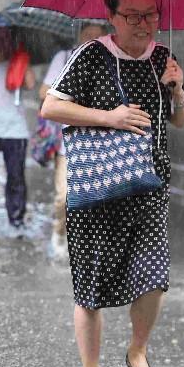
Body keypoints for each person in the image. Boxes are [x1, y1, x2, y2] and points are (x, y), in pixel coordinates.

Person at [41, 0, 184, 367]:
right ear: (112, 17)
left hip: (150, 187)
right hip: (98, 190)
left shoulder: (164, 58)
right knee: (90, 288)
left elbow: (180, 121)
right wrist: (110, 116)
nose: (145, 24)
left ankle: (137, 350)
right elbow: (51, 106)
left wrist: (177, 89)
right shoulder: (90, 56)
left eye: (151, 15)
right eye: (133, 16)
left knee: (154, 278)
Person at [39, 22, 108, 259]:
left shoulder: (111, 64)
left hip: (100, 143)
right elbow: (42, 93)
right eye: (87, 36)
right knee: (64, 198)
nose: (91, 42)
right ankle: (58, 233)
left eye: (97, 39)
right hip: (68, 143)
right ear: (79, 36)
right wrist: (67, 93)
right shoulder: (64, 58)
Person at [0, 27, 36, 232]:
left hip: (15, 131)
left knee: (16, 178)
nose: (1, 42)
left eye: (6, 38)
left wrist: (23, 56)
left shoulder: (17, 64)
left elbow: (30, 84)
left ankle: (16, 219)